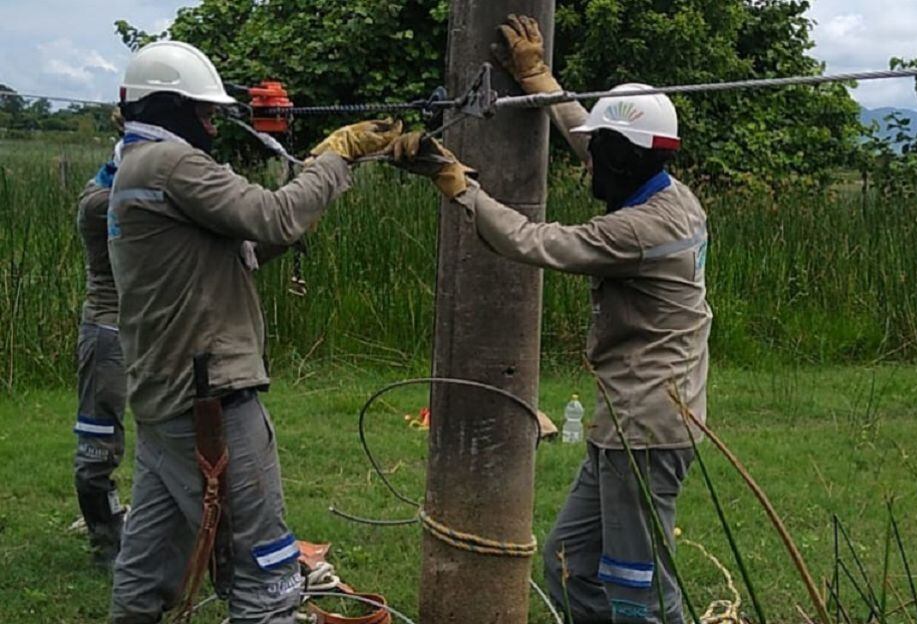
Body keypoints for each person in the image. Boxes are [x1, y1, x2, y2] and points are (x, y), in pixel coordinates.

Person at [390, 14, 712, 624]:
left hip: (647, 427)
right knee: (569, 565)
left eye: (601, 152)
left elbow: (532, 242)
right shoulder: (668, 192)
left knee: (636, 589)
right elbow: (592, 140)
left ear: (625, 157)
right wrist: (538, 77)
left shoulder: (637, 229)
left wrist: (456, 183)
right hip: (630, 422)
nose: (588, 162)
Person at [107, 41, 401, 624]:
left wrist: (308, 195)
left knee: (148, 561)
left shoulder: (133, 168)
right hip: (209, 398)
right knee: (264, 566)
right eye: (205, 111)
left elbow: (245, 247)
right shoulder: (171, 164)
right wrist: (337, 156)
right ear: (170, 107)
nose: (213, 123)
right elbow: (274, 215)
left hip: (164, 394)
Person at [73, 111, 128, 569]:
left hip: (147, 328)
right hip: (107, 331)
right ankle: (106, 537)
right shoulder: (100, 203)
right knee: (98, 445)